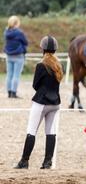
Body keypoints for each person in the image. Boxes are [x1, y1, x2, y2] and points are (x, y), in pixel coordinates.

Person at [14, 36, 62, 169]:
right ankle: (47, 162)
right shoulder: (59, 65)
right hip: (55, 103)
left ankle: (24, 161)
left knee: (31, 130)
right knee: (50, 132)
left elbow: (35, 85)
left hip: (41, 102)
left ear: (43, 49)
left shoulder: (41, 65)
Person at [4, 16, 28, 98]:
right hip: (18, 55)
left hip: (9, 55)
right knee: (16, 75)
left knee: (9, 75)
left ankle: (9, 92)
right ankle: (13, 93)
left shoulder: (6, 32)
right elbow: (25, 42)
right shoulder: (19, 33)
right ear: (16, 23)